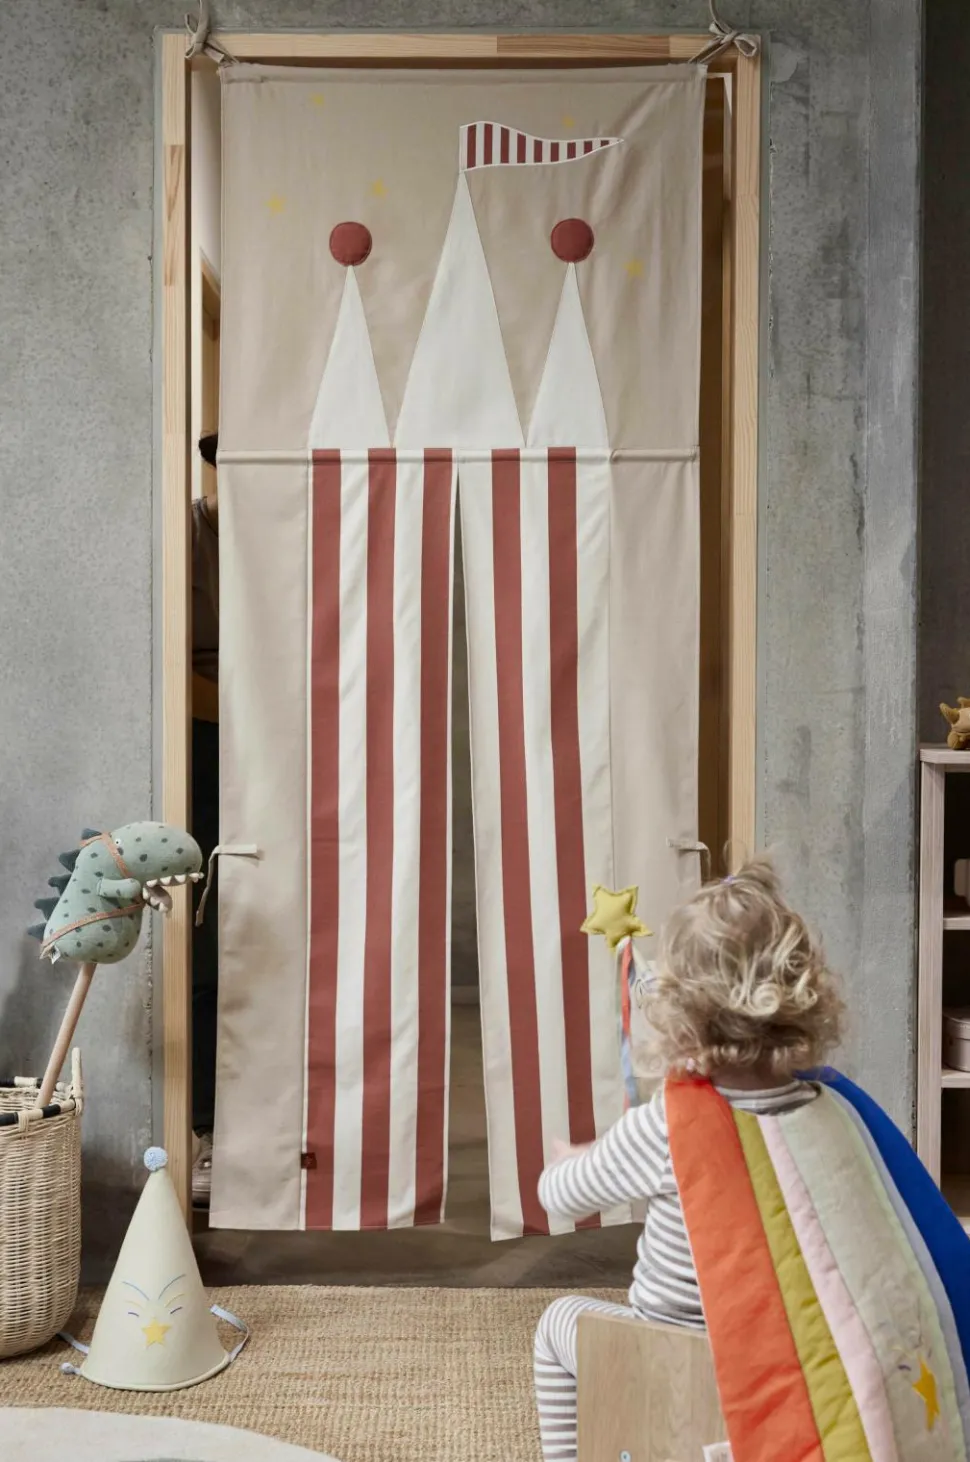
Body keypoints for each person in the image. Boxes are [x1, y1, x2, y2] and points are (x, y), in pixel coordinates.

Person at [532, 858, 843, 1462]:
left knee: (556, 1324)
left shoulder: (666, 1128)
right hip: (787, 1373)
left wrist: (583, 1156)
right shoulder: (824, 1113)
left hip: (666, 1363)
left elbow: (559, 1196)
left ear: (680, 1017)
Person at [190, 432, 220, 1207]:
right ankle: (206, 1129)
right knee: (210, 929)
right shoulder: (196, 529)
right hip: (208, 737)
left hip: (285, 739)